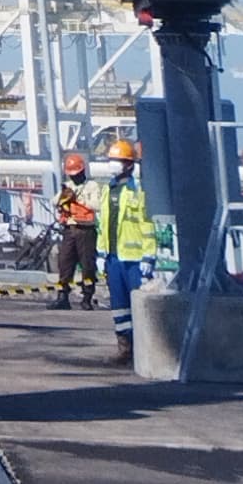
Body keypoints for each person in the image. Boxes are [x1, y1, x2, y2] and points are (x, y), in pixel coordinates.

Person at [94, 135, 152, 346]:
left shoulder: (138, 192)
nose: (112, 164)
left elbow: (147, 225)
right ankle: (124, 346)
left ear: (129, 165)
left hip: (135, 259)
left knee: (138, 306)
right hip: (112, 258)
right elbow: (103, 225)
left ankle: (142, 347)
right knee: (119, 307)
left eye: (116, 160)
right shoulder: (108, 190)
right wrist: (101, 253)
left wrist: (149, 255)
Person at [50, 149, 98, 309]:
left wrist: (78, 200)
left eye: (75, 173)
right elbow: (54, 201)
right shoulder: (68, 186)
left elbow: (97, 205)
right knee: (65, 263)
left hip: (86, 230)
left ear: (82, 171)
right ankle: (62, 296)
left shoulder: (92, 186)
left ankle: (87, 298)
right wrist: (64, 196)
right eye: (71, 174)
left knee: (87, 265)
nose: (73, 177)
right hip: (69, 230)